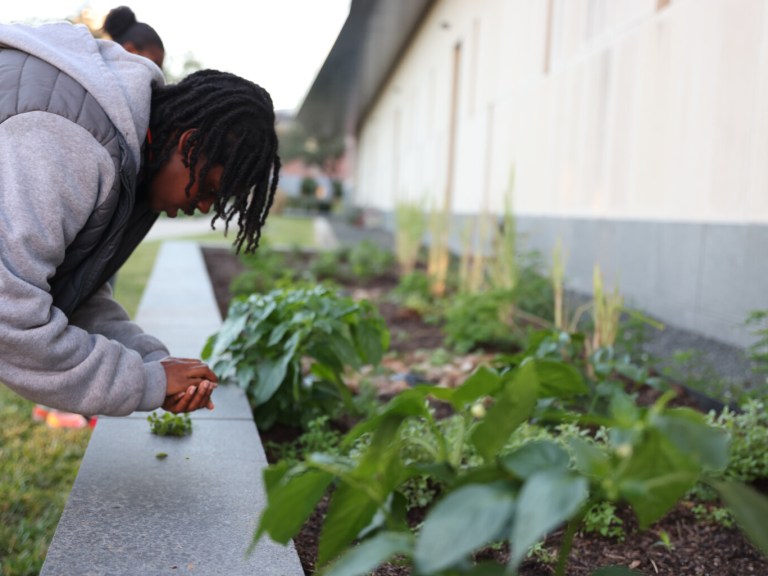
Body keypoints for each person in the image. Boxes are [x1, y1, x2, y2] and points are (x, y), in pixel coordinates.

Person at [0, 20, 280, 419]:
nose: (202, 208)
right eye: (207, 191)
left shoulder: (138, 161)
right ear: (189, 145)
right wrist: (150, 382)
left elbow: (72, 295)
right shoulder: (70, 142)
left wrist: (155, 363)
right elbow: (10, 320)